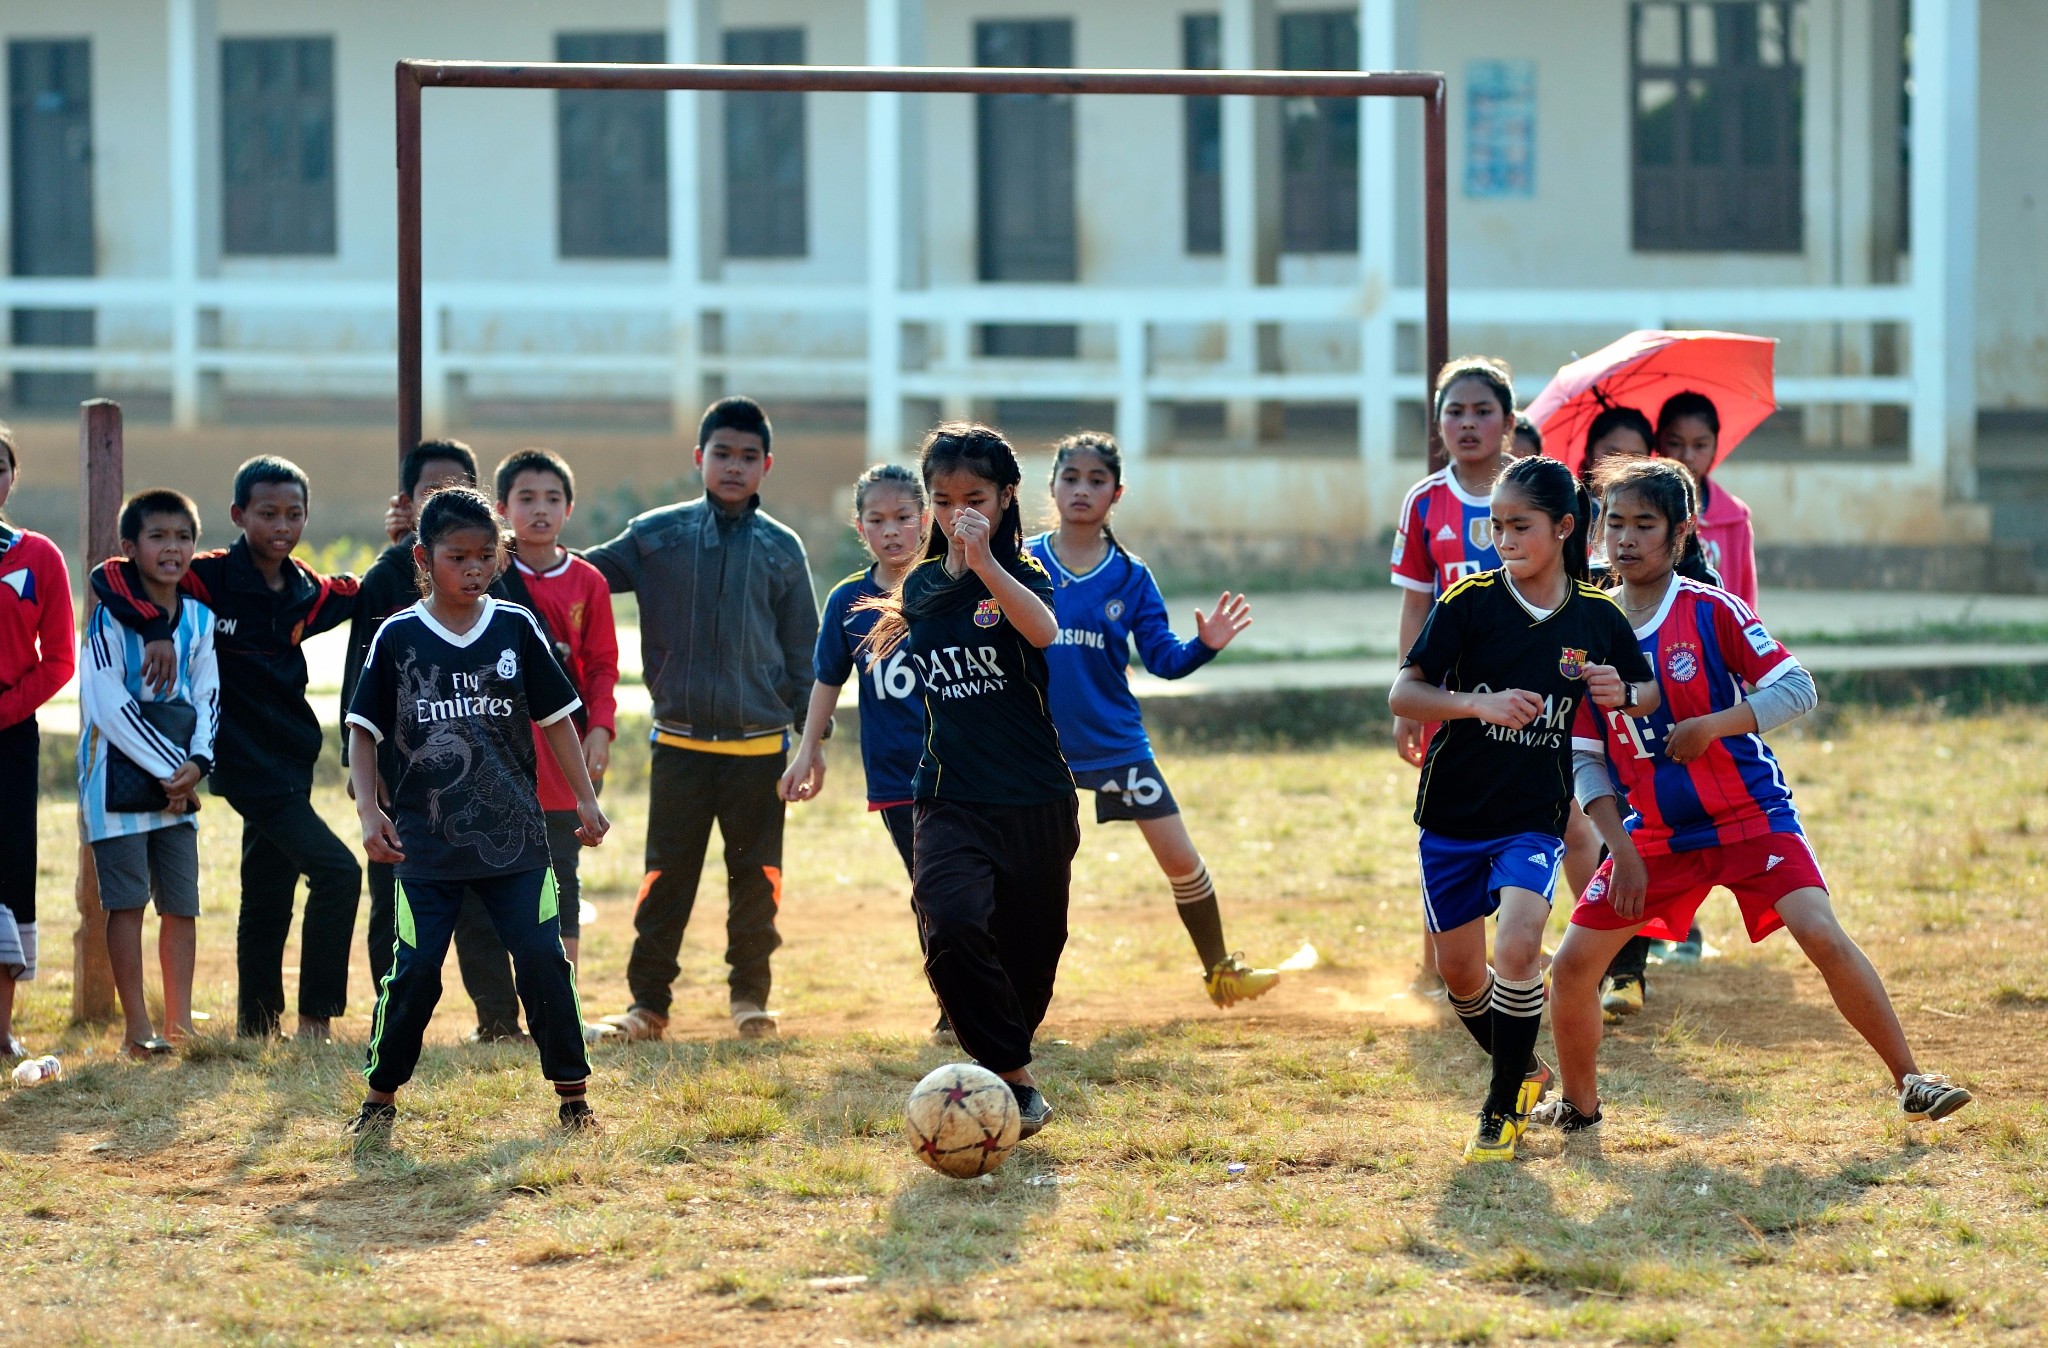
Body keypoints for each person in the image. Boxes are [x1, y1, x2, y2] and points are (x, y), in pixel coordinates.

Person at [1535, 457, 1972, 1136]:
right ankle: (1580, 1110)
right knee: (1570, 969)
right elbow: (1586, 758)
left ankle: (1911, 1079)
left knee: (1820, 933)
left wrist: (1715, 724)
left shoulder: (1711, 610)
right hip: (1655, 836)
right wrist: (1619, 848)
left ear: (1679, 533)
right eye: (1613, 521)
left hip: (1749, 818)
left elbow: (1798, 687)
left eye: (1644, 524)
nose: (1624, 538)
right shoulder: (1586, 634)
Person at [1387, 455, 1657, 1163]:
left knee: (1518, 944)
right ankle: (1527, 1071)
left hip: (1534, 813)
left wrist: (1618, 692)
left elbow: (1647, 689)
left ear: (1564, 528)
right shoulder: (1468, 602)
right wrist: (1476, 703)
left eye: (1520, 525)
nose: (1503, 538)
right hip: (1452, 815)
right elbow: (1403, 695)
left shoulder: (1597, 615)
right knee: (1461, 976)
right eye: (1495, 525)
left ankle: (1501, 1104)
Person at [345, 487, 608, 1135]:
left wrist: (586, 798)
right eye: (456, 556)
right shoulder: (398, 635)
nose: (471, 568)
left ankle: (574, 1098)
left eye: (485, 556)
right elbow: (360, 729)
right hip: (426, 849)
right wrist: (368, 810)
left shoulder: (515, 627)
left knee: (544, 959)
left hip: (517, 842)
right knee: (415, 973)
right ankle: (378, 1103)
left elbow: (557, 720)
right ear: (423, 558)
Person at [95, 457, 363, 1041]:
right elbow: (109, 576)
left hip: (292, 755)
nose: (281, 526)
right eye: (267, 514)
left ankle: (257, 1025)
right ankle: (317, 1021)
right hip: (240, 763)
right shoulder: (206, 577)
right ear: (239, 515)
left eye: (294, 514)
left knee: (267, 889)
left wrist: (404, 549)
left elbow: (362, 592)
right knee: (339, 872)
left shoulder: (305, 591)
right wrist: (155, 628)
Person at [859, 423, 1075, 1138]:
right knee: (948, 925)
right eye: (944, 501)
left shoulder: (1027, 574)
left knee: (1031, 955)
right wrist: (962, 562)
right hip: (949, 794)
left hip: (1037, 798)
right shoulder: (921, 587)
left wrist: (985, 561)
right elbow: (938, 604)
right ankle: (1012, 1077)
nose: (958, 514)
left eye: (974, 497)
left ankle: (1011, 1049)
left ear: (1008, 497)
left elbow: (1041, 631)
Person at [585, 396, 820, 1041]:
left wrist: (812, 741)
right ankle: (648, 1007)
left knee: (757, 882)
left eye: (748, 457)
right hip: (680, 748)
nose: (734, 467)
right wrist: (505, 551)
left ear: (766, 466)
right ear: (699, 459)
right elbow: (576, 576)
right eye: (722, 454)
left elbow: (806, 650)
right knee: (665, 880)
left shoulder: (781, 549)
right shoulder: (656, 536)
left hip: (760, 751)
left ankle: (750, 1000)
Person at [1026, 431, 1279, 1007]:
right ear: (1053, 487)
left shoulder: (1131, 577)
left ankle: (1220, 970)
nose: (1082, 489)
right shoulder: (1024, 560)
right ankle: (1005, 993)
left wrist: (1204, 645)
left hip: (1115, 744)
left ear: (1117, 493)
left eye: (1096, 481)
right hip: (1036, 746)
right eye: (1071, 478)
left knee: (1180, 858)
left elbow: (1163, 660)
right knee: (1031, 875)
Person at [1390, 359, 1603, 992]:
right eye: (1454, 411)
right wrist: (1409, 702)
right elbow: (1415, 603)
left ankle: (1602, 956)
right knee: (1449, 821)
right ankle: (1441, 969)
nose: (1468, 423)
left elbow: (1578, 596)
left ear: (1510, 423)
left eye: (1483, 411)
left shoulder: (1540, 498)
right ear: (1437, 422)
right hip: (1460, 704)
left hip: (1542, 701)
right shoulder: (1425, 501)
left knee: (1570, 816)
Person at [343, 439, 524, 1039]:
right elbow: (359, 682)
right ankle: (390, 1022)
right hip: (403, 777)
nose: (469, 566)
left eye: (459, 487)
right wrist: (363, 774)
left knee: (482, 904)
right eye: (431, 490)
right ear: (409, 506)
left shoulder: (496, 581)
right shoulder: (387, 577)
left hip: (482, 772)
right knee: (395, 901)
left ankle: (498, 1020)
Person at [446, 450, 622, 1045]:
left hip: (558, 762)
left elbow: (602, 668)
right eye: (526, 498)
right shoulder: (483, 577)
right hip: (493, 760)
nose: (539, 510)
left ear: (569, 508)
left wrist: (599, 728)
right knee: (482, 888)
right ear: (502, 510)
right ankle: (496, 1020)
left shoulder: (588, 582)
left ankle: (561, 1008)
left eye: (551, 499)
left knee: (557, 884)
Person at [780, 464, 951, 1039]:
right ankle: (954, 1003)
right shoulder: (849, 600)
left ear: (926, 520)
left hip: (965, 767)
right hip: (898, 775)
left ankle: (989, 995)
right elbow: (827, 680)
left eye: (904, 517)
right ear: (860, 528)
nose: (893, 531)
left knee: (971, 887)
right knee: (931, 888)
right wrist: (808, 751)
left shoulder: (950, 585)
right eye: (878, 520)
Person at [79, 489, 219, 1058]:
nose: (173, 548)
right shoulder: (107, 620)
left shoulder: (200, 619)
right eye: (158, 536)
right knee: (127, 904)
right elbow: (106, 705)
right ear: (129, 548)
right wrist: (172, 768)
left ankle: (180, 1025)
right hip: (115, 787)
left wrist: (199, 762)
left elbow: (208, 693)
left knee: (181, 904)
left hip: (180, 788)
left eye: (183, 536)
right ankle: (137, 1029)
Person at [0, 426, 74, 1057]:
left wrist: (6, 709)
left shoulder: (39, 556)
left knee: (10, 867)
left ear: (12, 477)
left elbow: (59, 660)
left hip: (11, 737)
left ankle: (1, 1029)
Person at [1656, 390, 1757, 610]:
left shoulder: (1734, 518)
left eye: (1700, 445)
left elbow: (1744, 595)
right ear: (1658, 443)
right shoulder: (1642, 512)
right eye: (1675, 443)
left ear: (1714, 448)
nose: (1687, 456)